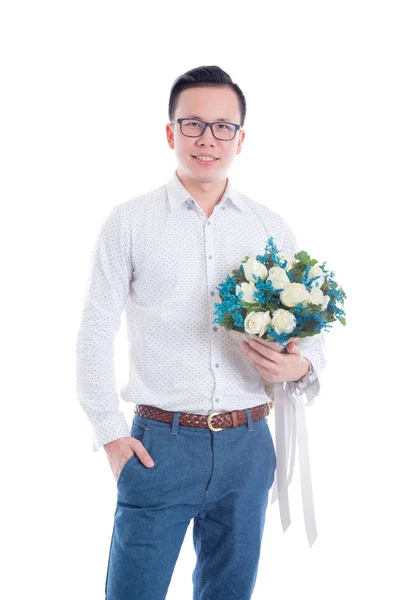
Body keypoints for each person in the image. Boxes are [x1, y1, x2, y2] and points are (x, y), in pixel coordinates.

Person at [76, 65, 326, 600]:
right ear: (170, 133)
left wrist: (302, 366)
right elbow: (96, 330)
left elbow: (312, 331)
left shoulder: (269, 227)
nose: (206, 139)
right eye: (192, 124)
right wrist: (110, 435)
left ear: (241, 138)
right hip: (159, 446)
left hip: (248, 444)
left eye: (222, 127)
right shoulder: (130, 221)